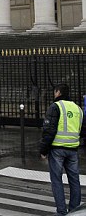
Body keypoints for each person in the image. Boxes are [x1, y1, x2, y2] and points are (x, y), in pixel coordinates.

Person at [39, 83, 86, 215]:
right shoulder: (78, 109)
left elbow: (49, 130)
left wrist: (43, 150)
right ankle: (74, 210)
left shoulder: (55, 106)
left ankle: (61, 212)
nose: (54, 94)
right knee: (74, 180)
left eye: (55, 92)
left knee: (57, 180)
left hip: (57, 150)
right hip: (73, 150)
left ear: (58, 92)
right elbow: (82, 130)